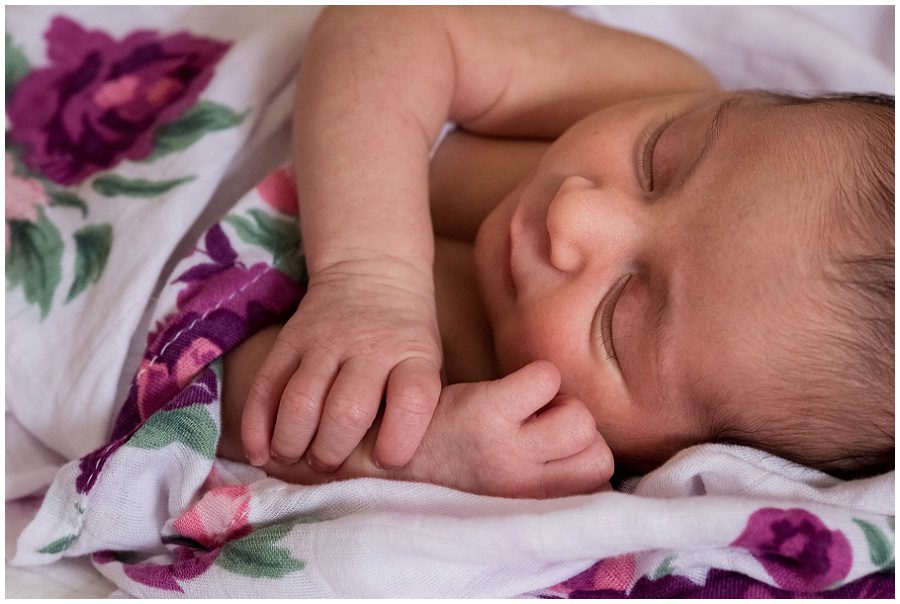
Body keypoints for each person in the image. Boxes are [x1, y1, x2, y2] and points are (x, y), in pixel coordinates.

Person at [214, 6, 894, 498]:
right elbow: (391, 21)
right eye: (658, 161)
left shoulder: (510, 416)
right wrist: (369, 275)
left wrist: (418, 454)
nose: (576, 214)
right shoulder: (642, 84)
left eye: (621, 311)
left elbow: (222, 401)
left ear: (676, 458)